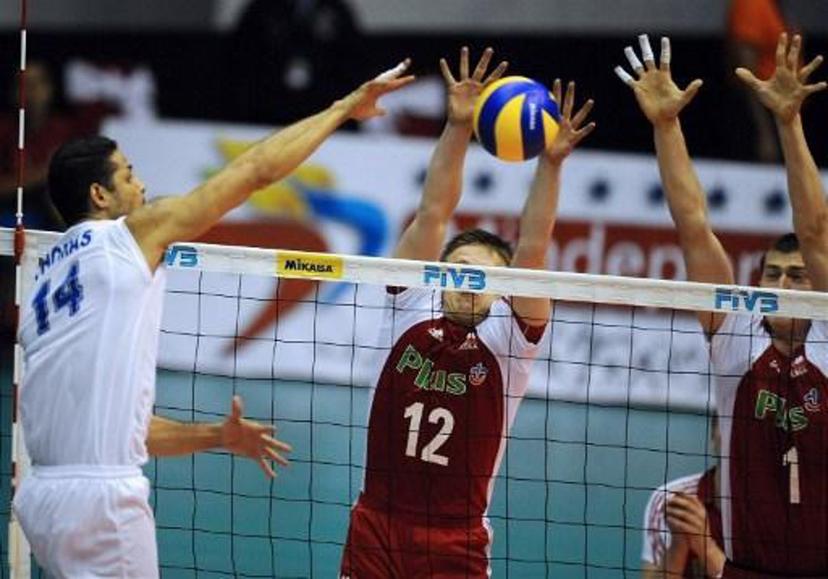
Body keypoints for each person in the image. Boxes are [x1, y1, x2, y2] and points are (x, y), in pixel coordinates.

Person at [12, 61, 415, 578]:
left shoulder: (46, 277)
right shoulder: (129, 235)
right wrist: (343, 108)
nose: (143, 187)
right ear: (99, 195)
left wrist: (217, 436)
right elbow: (254, 172)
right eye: (130, 176)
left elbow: (124, 436)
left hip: (43, 497)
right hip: (101, 504)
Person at [340, 47, 595, 578]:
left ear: (503, 291)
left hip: (455, 541)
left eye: (482, 278)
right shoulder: (407, 305)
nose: (466, 284)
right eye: (457, 270)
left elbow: (533, 247)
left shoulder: (510, 341)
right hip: (376, 527)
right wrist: (457, 126)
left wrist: (550, 163)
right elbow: (433, 211)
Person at [616, 33, 828, 578]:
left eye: (797, 276)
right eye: (772, 274)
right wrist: (666, 126)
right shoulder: (737, 340)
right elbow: (693, 224)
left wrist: (789, 122)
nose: (783, 283)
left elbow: (816, 231)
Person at [641, 417, 724, 578]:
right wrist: (678, 547)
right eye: (729, 424)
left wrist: (707, 549)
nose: (736, 436)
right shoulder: (671, 498)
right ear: (713, 434)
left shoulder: (780, 510)